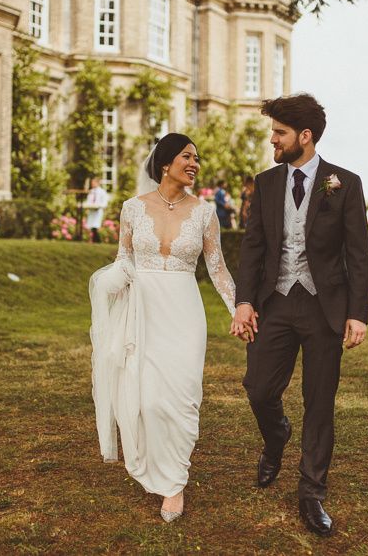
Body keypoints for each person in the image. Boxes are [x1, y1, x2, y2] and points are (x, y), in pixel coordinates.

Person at [231, 93, 368, 538]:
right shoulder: (266, 183)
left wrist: (357, 312)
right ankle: (276, 439)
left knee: (319, 401)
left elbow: (358, 254)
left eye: (280, 133)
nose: (273, 139)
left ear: (304, 137)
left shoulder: (344, 183)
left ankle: (312, 492)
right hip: (275, 303)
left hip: (323, 307)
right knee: (257, 388)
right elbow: (253, 247)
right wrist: (244, 300)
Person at [89, 133, 236, 523]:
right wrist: (111, 282)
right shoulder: (132, 209)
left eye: (197, 158)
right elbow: (124, 258)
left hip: (185, 312)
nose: (195, 164)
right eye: (188, 156)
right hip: (144, 310)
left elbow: (217, 268)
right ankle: (163, 472)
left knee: (184, 398)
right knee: (150, 399)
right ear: (166, 162)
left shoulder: (205, 213)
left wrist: (238, 309)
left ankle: (174, 485)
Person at [83, 177, 109, 243]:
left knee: (95, 226)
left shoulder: (102, 192)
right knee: (91, 226)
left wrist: (98, 206)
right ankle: (94, 241)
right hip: (91, 211)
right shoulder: (91, 191)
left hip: (98, 211)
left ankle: (97, 241)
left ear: (97, 183)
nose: (92, 184)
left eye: (94, 182)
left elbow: (104, 203)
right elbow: (88, 201)